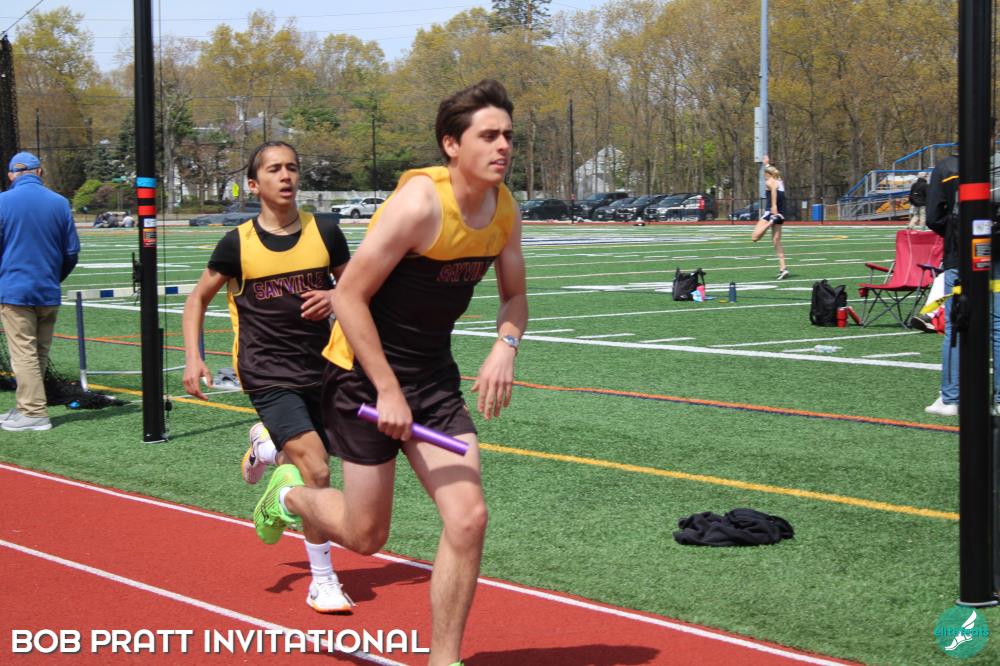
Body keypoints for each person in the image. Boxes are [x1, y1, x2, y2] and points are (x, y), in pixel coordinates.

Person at [253, 79, 527, 666]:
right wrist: (386, 389)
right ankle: (289, 496)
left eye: (507, 135)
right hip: (361, 378)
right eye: (488, 135)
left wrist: (505, 345)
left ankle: (444, 660)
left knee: (468, 518)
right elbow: (349, 297)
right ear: (452, 144)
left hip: (433, 381)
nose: (503, 145)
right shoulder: (419, 205)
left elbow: (515, 297)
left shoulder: (505, 209)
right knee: (366, 537)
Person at [181, 140, 353, 613]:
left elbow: (359, 288)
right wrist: (194, 357)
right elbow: (197, 299)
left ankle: (266, 447)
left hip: (323, 367)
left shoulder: (326, 233)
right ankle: (323, 581)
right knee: (317, 470)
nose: (286, 176)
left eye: (292, 167)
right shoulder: (237, 244)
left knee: (325, 457)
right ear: (254, 185)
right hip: (266, 370)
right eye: (274, 169)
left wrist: (336, 297)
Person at [0, 151, 80, 431]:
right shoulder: (59, 203)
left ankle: (33, 412)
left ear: (11, 175)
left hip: (15, 291)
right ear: (40, 172)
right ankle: (27, 405)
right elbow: (71, 251)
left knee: (23, 353)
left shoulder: (2, 202)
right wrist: (54, 278)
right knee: (39, 352)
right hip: (47, 289)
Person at [762, 162, 789, 280]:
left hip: (772, 212)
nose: (764, 176)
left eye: (765, 174)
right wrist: (767, 164)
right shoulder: (780, 181)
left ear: (768, 174)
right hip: (781, 213)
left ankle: (770, 222)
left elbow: (773, 192)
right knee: (776, 240)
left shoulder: (770, 182)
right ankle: (783, 268)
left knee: (755, 237)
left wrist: (773, 206)